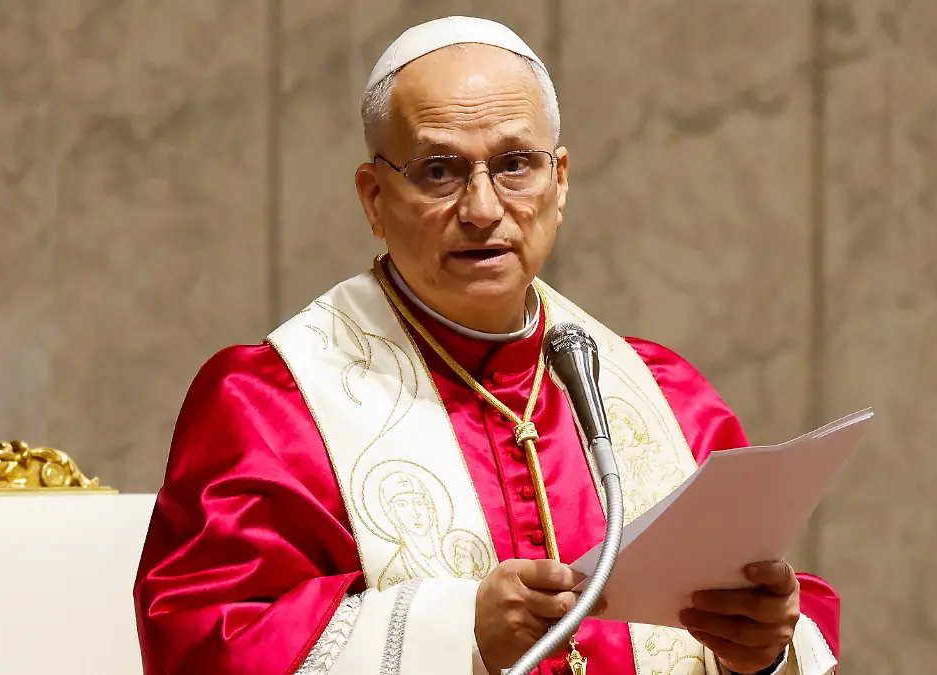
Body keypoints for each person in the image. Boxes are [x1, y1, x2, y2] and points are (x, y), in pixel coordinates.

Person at [133, 15, 840, 675]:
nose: (482, 208)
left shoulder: (665, 395)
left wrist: (766, 649)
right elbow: (203, 640)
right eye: (439, 171)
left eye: (515, 164)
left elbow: (771, 596)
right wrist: (455, 630)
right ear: (374, 198)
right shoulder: (271, 406)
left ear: (559, 182)